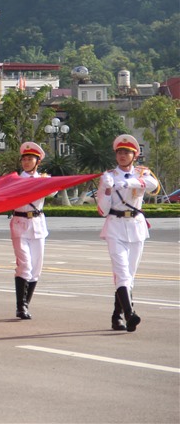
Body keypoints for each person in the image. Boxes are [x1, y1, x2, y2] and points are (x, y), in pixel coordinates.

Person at [96, 134, 160, 332]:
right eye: (120, 152)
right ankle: (130, 313)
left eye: (127, 152)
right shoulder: (108, 176)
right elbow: (102, 210)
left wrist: (129, 183)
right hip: (115, 225)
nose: (123, 155)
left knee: (129, 275)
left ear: (135, 156)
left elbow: (154, 186)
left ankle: (117, 316)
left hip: (136, 227)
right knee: (122, 272)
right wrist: (106, 190)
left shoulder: (142, 173)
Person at [10, 142, 51, 319]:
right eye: (24, 159)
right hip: (20, 222)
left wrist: (43, 182)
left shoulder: (44, 179)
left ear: (37, 162)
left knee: (36, 268)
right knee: (24, 265)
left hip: (37, 223)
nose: (26, 162)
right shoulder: (14, 180)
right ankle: (21, 306)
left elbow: (53, 191)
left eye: (30, 159)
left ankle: (25, 303)